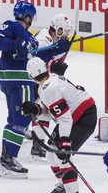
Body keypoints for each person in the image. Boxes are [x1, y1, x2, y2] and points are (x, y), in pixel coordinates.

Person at [22, 57, 97, 193]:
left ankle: (72, 191)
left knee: (61, 157)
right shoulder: (47, 83)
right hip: (72, 116)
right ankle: (63, 185)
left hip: (84, 116)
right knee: (51, 155)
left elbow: (64, 118)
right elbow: (54, 112)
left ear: (31, 76)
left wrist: (64, 141)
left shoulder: (49, 88)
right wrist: (37, 109)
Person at [0, 0, 38, 179]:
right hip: (20, 82)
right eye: (31, 17)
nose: (31, 19)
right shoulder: (13, 26)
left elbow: (35, 55)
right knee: (22, 121)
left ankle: (6, 158)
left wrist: (55, 50)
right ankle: (9, 161)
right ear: (27, 16)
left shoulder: (29, 37)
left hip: (15, 82)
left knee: (13, 120)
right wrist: (15, 44)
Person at [27, 13, 73, 160]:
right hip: (32, 78)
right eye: (64, 31)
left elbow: (50, 63)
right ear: (58, 29)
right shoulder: (42, 39)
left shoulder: (57, 39)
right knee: (41, 108)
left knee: (43, 108)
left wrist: (57, 68)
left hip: (42, 78)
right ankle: (37, 144)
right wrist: (56, 51)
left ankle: (37, 141)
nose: (66, 34)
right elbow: (37, 60)